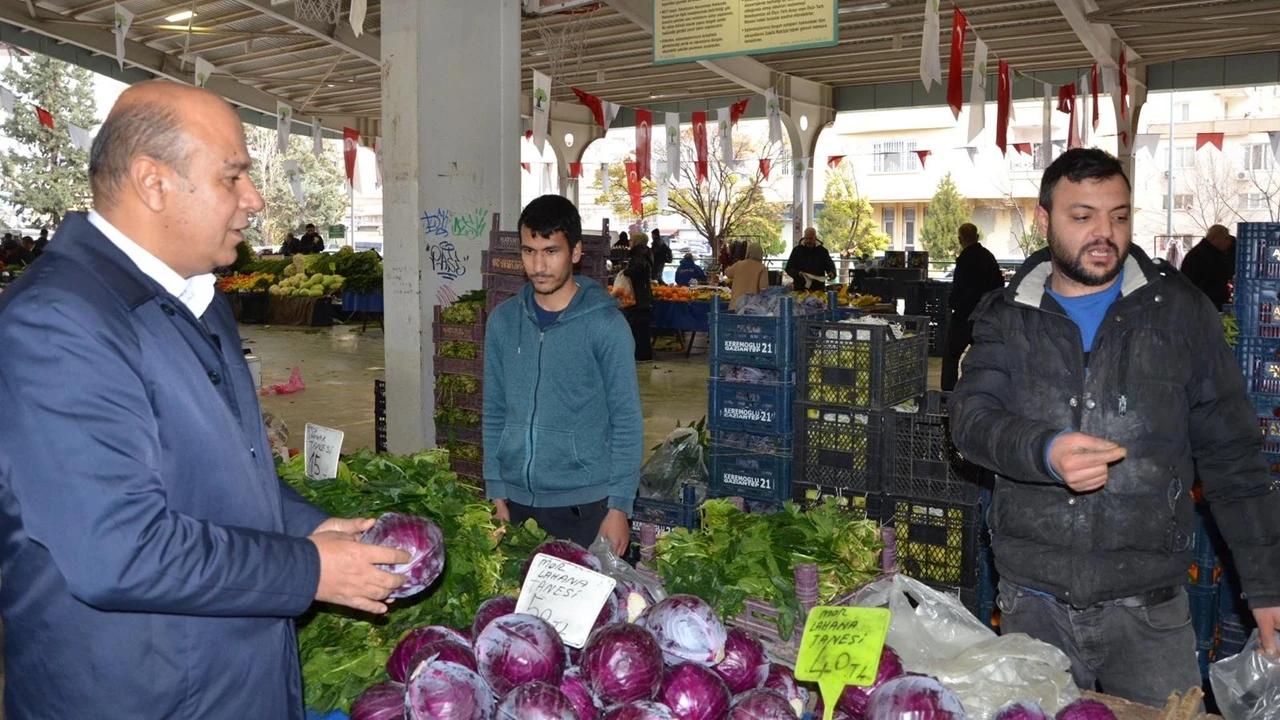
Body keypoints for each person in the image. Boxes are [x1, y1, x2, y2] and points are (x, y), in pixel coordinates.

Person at [0, 81, 410, 718]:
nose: (255, 199)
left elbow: (220, 476)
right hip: (142, 694)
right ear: (153, 182)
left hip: (233, 682)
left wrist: (308, 526)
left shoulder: (197, 297)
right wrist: (308, 569)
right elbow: (117, 549)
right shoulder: (58, 322)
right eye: (233, 176)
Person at [950, 148, 1280, 707]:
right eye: (1082, 217)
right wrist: (1045, 450)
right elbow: (970, 421)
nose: (1104, 233)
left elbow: (1234, 457)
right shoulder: (1005, 315)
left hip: (1151, 609)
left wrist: (1267, 586)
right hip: (1033, 603)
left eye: (1120, 216)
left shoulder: (1181, 312)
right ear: (1044, 219)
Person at [483, 194, 642, 556]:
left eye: (551, 251)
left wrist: (619, 506)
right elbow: (494, 411)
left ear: (575, 252)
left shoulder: (606, 325)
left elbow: (627, 420)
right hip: (515, 504)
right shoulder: (503, 322)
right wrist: (495, 489)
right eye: (528, 251)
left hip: (584, 506)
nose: (538, 265)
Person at [941, 223, 1004, 390]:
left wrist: (953, 304)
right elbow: (999, 286)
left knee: (951, 355)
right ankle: (982, 389)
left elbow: (959, 289)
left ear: (960, 239)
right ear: (977, 237)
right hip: (985, 316)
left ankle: (948, 393)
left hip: (963, 316)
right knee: (984, 356)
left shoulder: (964, 260)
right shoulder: (988, 257)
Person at [1178, 224, 1234, 310]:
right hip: (1205, 307)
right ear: (1215, 238)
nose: (1229, 243)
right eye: (1226, 239)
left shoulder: (1208, 253)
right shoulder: (1203, 256)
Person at [624, 237, 655, 362]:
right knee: (642, 327)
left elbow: (638, 268)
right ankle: (644, 354)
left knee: (638, 326)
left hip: (639, 296)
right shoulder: (647, 253)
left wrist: (625, 272)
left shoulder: (639, 255)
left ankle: (641, 355)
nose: (630, 242)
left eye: (632, 240)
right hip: (644, 295)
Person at [724, 241, 770, 310]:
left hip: (735, 305)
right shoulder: (762, 268)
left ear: (748, 252)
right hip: (751, 308)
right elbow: (763, 288)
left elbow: (727, 273)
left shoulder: (739, 264)